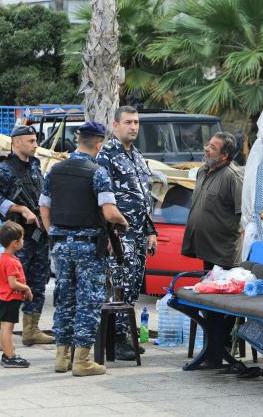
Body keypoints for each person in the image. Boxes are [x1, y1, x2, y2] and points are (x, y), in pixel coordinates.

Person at [39, 122, 129, 376]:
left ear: (79, 141)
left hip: (60, 245)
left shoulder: (54, 170)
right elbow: (110, 212)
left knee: (65, 299)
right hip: (88, 247)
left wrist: (52, 232)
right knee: (88, 302)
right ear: (99, 145)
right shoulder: (97, 172)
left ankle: (61, 357)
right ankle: (82, 361)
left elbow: (44, 206)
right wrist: (124, 221)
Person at [96, 106, 157, 361]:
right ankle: (117, 339)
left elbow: (145, 198)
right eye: (128, 122)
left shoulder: (139, 157)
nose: (133, 127)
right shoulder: (106, 156)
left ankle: (125, 335)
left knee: (132, 286)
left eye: (136, 122)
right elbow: (101, 199)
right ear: (115, 125)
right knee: (118, 287)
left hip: (138, 235)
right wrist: (109, 235)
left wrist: (151, 230)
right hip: (119, 237)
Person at [0, 125, 54, 346]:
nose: (35, 145)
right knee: (13, 286)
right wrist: (20, 209)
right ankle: (4, 332)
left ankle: (31, 329)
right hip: (18, 239)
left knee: (37, 283)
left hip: (39, 236)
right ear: (16, 143)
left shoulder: (36, 166)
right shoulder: (5, 169)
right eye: (31, 141)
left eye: (35, 140)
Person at [182, 132, 243, 269]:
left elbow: (244, 218)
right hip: (205, 252)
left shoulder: (233, 177)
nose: (207, 149)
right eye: (208, 144)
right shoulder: (202, 171)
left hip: (223, 256)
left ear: (224, 156)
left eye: (213, 147)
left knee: (217, 290)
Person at [0, 221, 33, 368]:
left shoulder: (4, 257)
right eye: (22, 239)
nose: (23, 241)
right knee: (8, 328)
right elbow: (13, 284)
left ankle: (8, 353)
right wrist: (26, 288)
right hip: (10, 298)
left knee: (6, 327)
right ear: (15, 243)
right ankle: (9, 356)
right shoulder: (11, 262)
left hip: (5, 298)